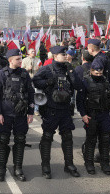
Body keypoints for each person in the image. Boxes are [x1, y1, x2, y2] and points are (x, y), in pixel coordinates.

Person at [33, 46, 83, 179]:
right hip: (51, 109)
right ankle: (45, 166)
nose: (65, 56)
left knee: (67, 137)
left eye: (65, 54)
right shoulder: (47, 69)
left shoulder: (68, 69)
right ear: (55, 56)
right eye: (63, 54)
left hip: (66, 109)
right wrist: (48, 82)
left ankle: (69, 164)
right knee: (47, 137)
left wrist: (71, 70)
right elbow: (36, 81)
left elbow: (78, 85)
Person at [0, 49, 34, 182]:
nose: (20, 61)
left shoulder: (24, 74)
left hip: (20, 114)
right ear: (10, 60)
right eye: (18, 59)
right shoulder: (1, 74)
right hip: (5, 114)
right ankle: (2, 168)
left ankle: (18, 168)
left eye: (21, 58)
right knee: (2, 141)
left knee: (20, 140)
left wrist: (31, 112)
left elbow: (31, 93)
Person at [77, 59, 110, 175]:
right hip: (91, 115)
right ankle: (89, 163)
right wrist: (83, 115)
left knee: (105, 139)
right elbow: (80, 100)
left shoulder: (105, 81)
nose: (98, 75)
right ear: (91, 71)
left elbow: (109, 95)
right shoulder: (85, 81)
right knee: (91, 140)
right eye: (96, 73)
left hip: (104, 114)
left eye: (100, 73)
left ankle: (105, 163)